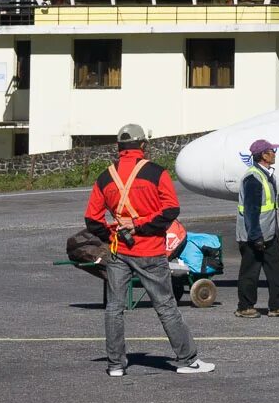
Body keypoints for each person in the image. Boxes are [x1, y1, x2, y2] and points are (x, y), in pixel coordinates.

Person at [84, 123, 213, 376]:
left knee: (114, 307)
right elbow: (171, 210)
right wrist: (141, 227)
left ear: (118, 148)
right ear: (143, 145)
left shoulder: (105, 177)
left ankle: (115, 365)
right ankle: (187, 360)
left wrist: (113, 233)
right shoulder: (156, 172)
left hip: (119, 250)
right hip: (150, 250)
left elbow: (92, 219)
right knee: (165, 306)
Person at [236, 139, 279, 318]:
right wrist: (255, 236)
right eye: (272, 151)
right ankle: (245, 307)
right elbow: (251, 210)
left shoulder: (267, 175)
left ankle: (277, 305)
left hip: (269, 233)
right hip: (254, 235)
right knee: (250, 272)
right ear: (264, 155)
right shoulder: (253, 178)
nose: (275, 153)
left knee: (276, 269)